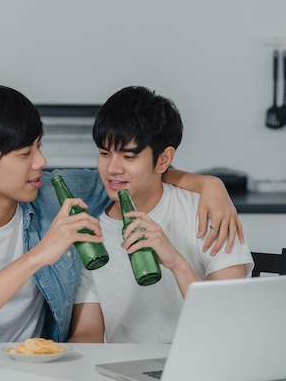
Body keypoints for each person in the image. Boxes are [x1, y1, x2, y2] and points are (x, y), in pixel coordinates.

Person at [0, 84, 243, 348]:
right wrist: (39, 255)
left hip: (34, 370)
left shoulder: (49, 192)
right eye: (25, 154)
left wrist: (208, 183)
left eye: (39, 146)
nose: (42, 162)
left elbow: (127, 177)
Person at [69, 86, 254, 344]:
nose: (112, 168)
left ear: (164, 159)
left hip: (204, 364)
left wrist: (177, 263)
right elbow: (86, 333)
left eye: (129, 156)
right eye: (104, 153)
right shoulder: (90, 232)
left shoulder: (209, 213)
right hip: (121, 373)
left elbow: (228, 323)